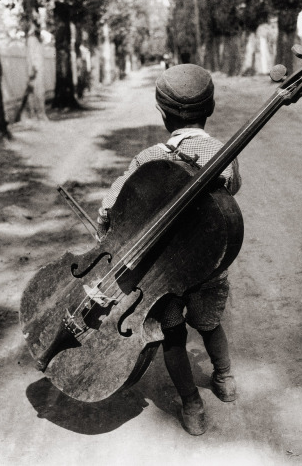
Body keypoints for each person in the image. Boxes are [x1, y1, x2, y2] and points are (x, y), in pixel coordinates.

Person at [96, 64, 242, 435]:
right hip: (208, 266)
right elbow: (231, 193)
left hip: (163, 273)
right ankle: (224, 379)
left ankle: (191, 404)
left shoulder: (148, 159)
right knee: (210, 325)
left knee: (173, 336)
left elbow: (112, 207)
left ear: (162, 113)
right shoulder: (225, 155)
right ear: (209, 110)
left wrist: (105, 230)